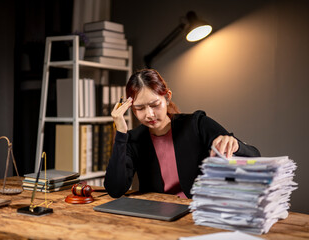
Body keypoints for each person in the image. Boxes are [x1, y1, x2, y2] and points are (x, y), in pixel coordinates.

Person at [104, 69, 260, 199]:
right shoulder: (133, 139)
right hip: (156, 215)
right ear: (131, 109)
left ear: (167, 97)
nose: (149, 114)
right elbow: (115, 189)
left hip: (199, 212)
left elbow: (255, 156)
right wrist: (121, 134)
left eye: (154, 104)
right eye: (140, 109)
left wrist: (235, 144)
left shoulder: (197, 124)